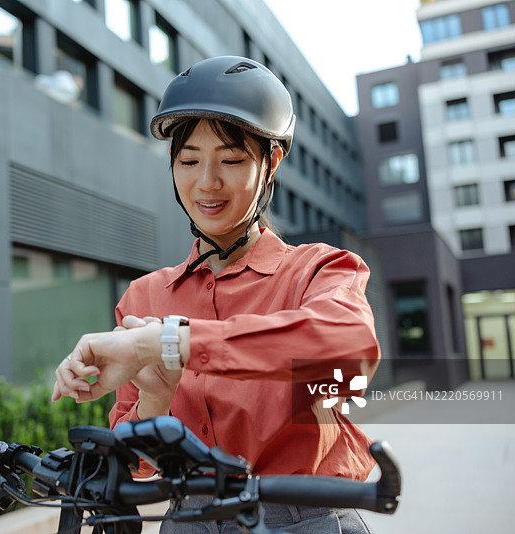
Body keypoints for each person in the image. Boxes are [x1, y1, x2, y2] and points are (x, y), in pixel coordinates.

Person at [52, 56, 381, 534]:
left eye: (231, 160)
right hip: (187, 519)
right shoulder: (144, 297)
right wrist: (155, 399)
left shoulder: (319, 271)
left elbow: (348, 348)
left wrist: (169, 342)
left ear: (271, 162)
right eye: (188, 161)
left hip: (302, 518)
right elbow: (136, 467)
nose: (207, 182)